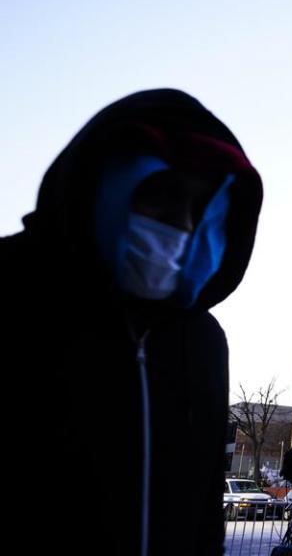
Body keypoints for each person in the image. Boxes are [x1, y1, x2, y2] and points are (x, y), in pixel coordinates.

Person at [1, 90, 262, 555]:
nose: (178, 228)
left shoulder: (201, 340)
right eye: (160, 200)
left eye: (198, 212)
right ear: (103, 189)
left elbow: (202, 509)